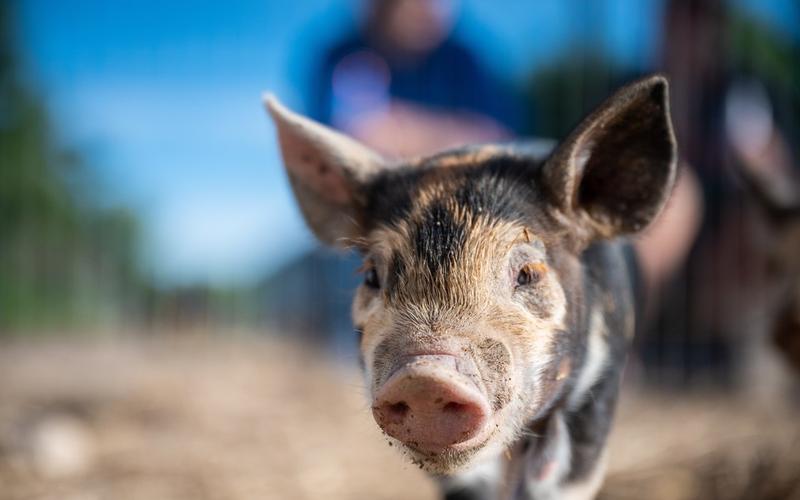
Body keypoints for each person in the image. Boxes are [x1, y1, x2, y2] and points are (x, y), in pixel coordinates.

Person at [309, 0, 520, 157]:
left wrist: (408, 133)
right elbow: (346, 143)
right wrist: (450, 133)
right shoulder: (343, 57)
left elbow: (499, 142)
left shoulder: (463, 60)